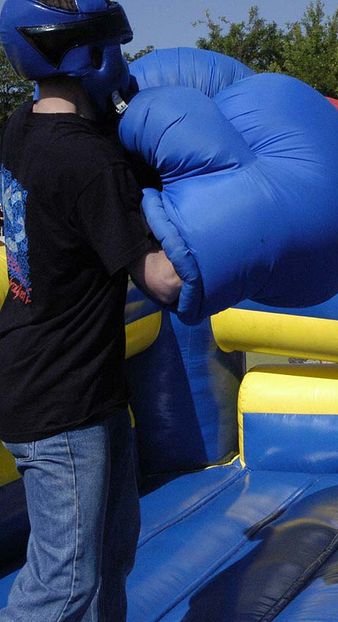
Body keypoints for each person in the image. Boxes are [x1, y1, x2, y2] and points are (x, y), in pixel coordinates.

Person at [0, 2, 182, 620]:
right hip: (62, 399)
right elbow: (160, 282)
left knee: (110, 556)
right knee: (66, 582)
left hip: (73, 383)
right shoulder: (90, 162)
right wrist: (240, 249)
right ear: (91, 54)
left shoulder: (21, 125)